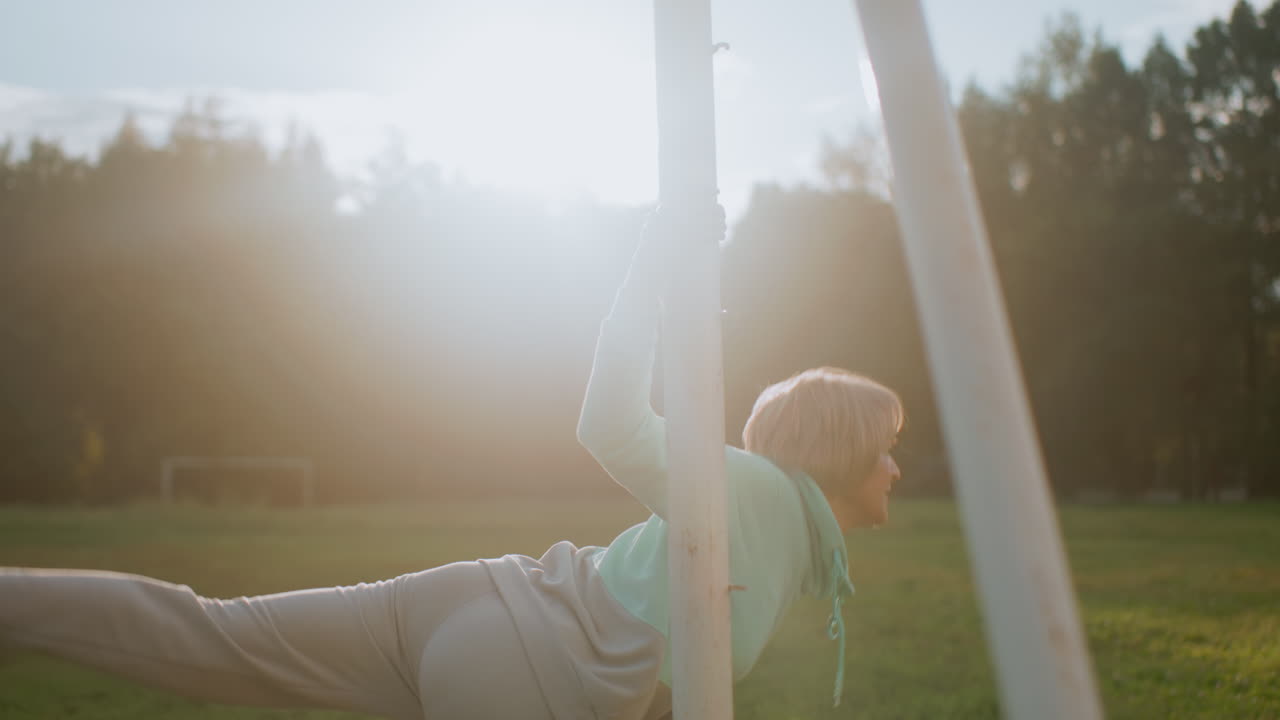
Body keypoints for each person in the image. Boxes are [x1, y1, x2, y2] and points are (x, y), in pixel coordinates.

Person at [0, 204, 903, 720]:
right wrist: (650, 271)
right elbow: (610, 426)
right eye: (888, 450)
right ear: (843, 452)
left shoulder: (775, 532)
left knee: (206, 632)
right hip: (517, 662)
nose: (898, 470)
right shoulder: (752, 491)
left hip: (473, 606)